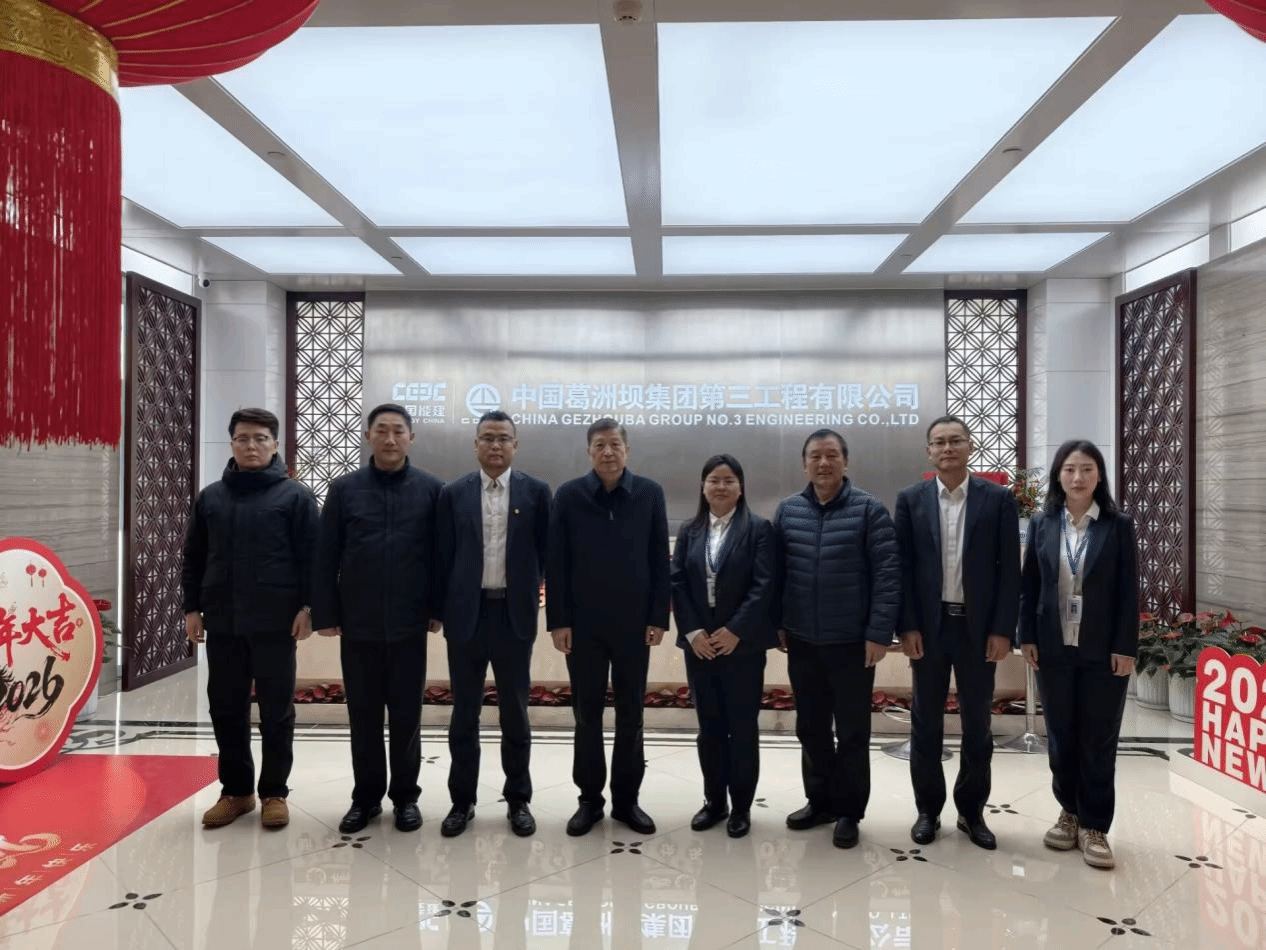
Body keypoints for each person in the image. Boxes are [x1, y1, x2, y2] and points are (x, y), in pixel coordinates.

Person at [182, 407, 319, 830]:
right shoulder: (211, 497)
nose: (252, 446)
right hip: (223, 621)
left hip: (276, 623)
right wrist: (191, 608)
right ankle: (237, 791)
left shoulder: (295, 497)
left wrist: (308, 609)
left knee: (277, 711)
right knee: (226, 709)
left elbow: (313, 560)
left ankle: (274, 792)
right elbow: (194, 557)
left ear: (275, 445)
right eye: (243, 438)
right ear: (232, 444)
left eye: (260, 438)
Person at [312, 403, 443, 834]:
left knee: (406, 716)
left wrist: (437, 610)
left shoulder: (431, 489)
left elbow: (440, 557)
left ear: (411, 437)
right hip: (359, 622)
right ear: (368, 435)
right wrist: (326, 613)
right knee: (364, 716)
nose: (390, 438)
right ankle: (365, 798)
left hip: (409, 623)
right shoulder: (344, 489)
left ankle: (406, 798)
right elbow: (326, 555)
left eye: (398, 431)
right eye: (381, 430)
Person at [894, 415, 1020, 850]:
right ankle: (927, 811)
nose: (947, 448)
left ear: (970, 446)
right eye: (939, 442)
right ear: (928, 451)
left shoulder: (997, 499)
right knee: (925, 722)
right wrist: (907, 625)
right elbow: (901, 568)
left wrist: (1002, 630)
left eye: (955, 441)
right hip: (928, 629)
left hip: (977, 629)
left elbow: (1009, 571)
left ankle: (971, 812)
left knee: (977, 724)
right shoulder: (910, 500)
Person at [773, 428, 900, 849]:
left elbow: (887, 575)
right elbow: (776, 574)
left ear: (846, 462)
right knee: (810, 728)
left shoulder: (869, 510)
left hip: (852, 643)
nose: (823, 463)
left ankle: (849, 811)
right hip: (803, 641)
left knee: (852, 732)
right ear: (804, 464)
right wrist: (778, 622)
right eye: (815, 456)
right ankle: (820, 801)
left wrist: (878, 633)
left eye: (831, 455)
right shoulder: (788, 511)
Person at [546, 418, 669, 837]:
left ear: (627, 450)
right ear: (589, 452)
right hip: (583, 627)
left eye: (615, 444)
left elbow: (659, 558)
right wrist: (558, 621)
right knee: (587, 714)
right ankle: (589, 800)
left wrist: (658, 617)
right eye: (599, 445)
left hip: (635, 626)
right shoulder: (569, 495)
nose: (608, 452)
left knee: (631, 713)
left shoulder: (649, 493)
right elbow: (556, 562)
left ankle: (627, 801)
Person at [1020, 439, 1137, 870]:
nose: (1078, 477)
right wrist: (1027, 636)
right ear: (1058, 475)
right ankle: (1068, 812)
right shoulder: (1043, 523)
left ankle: (1095, 826)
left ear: (1099, 475)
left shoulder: (1117, 525)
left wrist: (1125, 646)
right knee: (1061, 734)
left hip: (1102, 650)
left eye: (1087, 469)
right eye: (1070, 469)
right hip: (1053, 647)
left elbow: (1128, 591)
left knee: (1098, 738)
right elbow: (1030, 585)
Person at [434, 410, 551, 838]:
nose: (495, 445)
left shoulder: (537, 492)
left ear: (515, 445)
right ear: (475, 445)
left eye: (503, 438)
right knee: (464, 713)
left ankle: (518, 800)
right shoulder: (454, 493)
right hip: (466, 617)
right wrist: (438, 610)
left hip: (513, 616)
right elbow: (441, 556)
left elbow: (548, 553)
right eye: (487, 438)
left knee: (515, 712)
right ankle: (461, 801)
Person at [670, 454, 776, 839]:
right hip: (700, 646)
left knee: (742, 728)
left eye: (729, 480)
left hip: (741, 647)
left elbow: (764, 585)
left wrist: (736, 631)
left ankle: (741, 807)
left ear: (740, 487)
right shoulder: (690, 530)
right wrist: (693, 632)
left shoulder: (759, 529)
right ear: (703, 487)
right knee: (710, 728)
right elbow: (677, 582)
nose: (721, 486)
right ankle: (714, 802)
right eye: (714, 480)